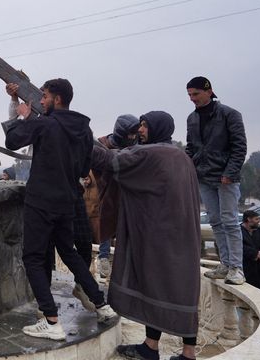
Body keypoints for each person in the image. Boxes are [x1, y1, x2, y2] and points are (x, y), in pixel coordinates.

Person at [3, 78, 116, 341]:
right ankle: (102, 305)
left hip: (41, 201)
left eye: (44, 96)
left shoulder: (44, 124)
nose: (41, 100)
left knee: (33, 257)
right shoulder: (84, 130)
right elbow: (83, 168)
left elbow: (12, 141)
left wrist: (23, 117)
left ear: (57, 99)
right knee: (69, 252)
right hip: (67, 201)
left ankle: (51, 321)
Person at [92, 111, 201, 360]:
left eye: (144, 126)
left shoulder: (150, 154)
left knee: (155, 284)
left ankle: (181, 353)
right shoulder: (181, 156)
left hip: (159, 237)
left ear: (157, 128)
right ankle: (157, 348)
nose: (140, 130)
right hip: (183, 237)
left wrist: (77, 133)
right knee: (176, 289)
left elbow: (110, 161)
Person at [185, 76, 247, 285]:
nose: (192, 98)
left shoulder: (230, 114)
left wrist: (230, 173)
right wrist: (188, 169)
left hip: (225, 178)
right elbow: (191, 148)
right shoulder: (191, 119)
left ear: (209, 91)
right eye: (189, 95)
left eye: (195, 94)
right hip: (204, 177)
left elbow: (239, 147)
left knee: (230, 221)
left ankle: (237, 268)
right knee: (216, 221)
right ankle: (226, 264)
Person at [86, 114, 140, 278]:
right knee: (105, 220)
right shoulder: (102, 144)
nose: (133, 137)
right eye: (130, 134)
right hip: (106, 189)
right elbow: (91, 161)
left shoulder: (136, 146)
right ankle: (103, 257)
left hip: (127, 190)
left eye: (134, 134)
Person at [240, 210, 260, 291]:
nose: (258, 221)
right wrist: (255, 253)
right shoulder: (238, 232)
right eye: (256, 219)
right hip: (246, 268)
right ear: (249, 219)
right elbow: (239, 247)